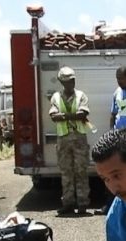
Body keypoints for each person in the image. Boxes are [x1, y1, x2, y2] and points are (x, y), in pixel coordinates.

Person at [49, 67, 92, 215]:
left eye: (72, 80)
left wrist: (64, 116)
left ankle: (82, 204)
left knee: (81, 171)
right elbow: (54, 116)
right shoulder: (56, 97)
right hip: (63, 139)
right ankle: (67, 203)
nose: (70, 83)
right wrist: (71, 115)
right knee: (66, 172)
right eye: (67, 81)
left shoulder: (81, 96)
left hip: (79, 137)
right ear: (61, 82)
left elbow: (83, 114)